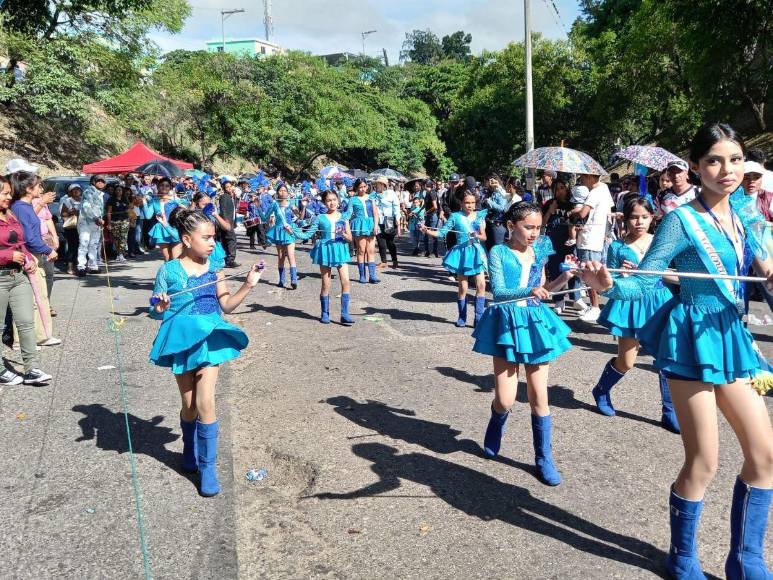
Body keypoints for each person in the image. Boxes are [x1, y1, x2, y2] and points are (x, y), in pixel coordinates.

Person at [581, 123, 773, 580]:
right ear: (695, 168)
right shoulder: (680, 221)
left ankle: (746, 558)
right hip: (690, 338)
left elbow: (764, 269)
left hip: (731, 335)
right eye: (713, 161)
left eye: (733, 159)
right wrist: (606, 284)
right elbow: (646, 280)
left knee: (765, 456)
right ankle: (682, 555)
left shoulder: (745, 210)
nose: (725, 170)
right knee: (704, 460)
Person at [150, 207, 262, 497]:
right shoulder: (169, 271)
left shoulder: (215, 268)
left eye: (215, 237)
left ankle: (208, 467)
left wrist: (248, 285)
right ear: (187, 239)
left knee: (206, 400)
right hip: (181, 339)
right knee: (189, 405)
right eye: (208, 237)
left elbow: (226, 305)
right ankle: (190, 447)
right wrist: (159, 306)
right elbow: (156, 308)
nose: (214, 243)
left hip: (210, 336)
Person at [472, 202, 576, 485]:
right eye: (528, 227)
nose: (534, 233)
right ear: (510, 226)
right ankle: (497, 419)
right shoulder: (498, 252)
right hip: (505, 322)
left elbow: (544, 289)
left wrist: (564, 278)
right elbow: (500, 292)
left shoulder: (541, 249)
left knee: (538, 396)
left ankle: (543, 458)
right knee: (505, 399)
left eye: (538, 227)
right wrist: (529, 290)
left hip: (534, 323)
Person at [591, 197, 679, 433]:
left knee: (666, 359)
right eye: (633, 217)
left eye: (645, 216)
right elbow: (609, 281)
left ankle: (669, 411)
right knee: (627, 361)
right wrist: (626, 278)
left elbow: (677, 276)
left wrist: (653, 272)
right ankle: (601, 390)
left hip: (661, 303)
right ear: (625, 219)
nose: (639, 222)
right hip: (631, 305)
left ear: (653, 217)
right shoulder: (617, 247)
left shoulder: (662, 243)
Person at [0, 175, 52, 385]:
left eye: (8, 192)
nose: (9, 196)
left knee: (26, 323)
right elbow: (8, 251)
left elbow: (20, 242)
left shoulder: (10, 214)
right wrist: (7, 256)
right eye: (4, 193)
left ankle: (32, 369)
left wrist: (28, 258)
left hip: (19, 276)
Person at [421, 191, 488, 327]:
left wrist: (475, 235)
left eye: (472, 203)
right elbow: (441, 233)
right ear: (462, 204)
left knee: (481, 284)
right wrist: (427, 230)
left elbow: (484, 237)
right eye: (467, 203)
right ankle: (462, 317)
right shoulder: (455, 216)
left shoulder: (479, 216)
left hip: (476, 253)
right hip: (462, 254)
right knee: (463, 287)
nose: (470, 205)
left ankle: (479, 319)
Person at [294, 189, 355, 325]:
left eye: (334, 199)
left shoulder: (343, 217)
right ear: (324, 202)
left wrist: (344, 235)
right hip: (326, 250)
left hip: (340, 250)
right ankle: (325, 313)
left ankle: (344, 314)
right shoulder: (320, 218)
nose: (332, 202)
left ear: (338, 200)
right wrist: (293, 230)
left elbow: (350, 238)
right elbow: (307, 235)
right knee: (326, 283)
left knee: (346, 281)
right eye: (328, 200)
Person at [569, 173, 613, 322]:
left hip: (589, 238)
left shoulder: (594, 192)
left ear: (590, 177)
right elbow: (608, 213)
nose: (581, 180)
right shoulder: (605, 188)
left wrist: (573, 212)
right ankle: (594, 306)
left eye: (582, 177)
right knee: (593, 271)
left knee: (589, 273)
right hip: (598, 237)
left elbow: (582, 213)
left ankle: (595, 307)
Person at [542, 177, 575, 313]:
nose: (559, 191)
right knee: (555, 269)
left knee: (571, 269)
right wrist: (550, 210)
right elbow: (542, 223)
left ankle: (575, 297)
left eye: (562, 187)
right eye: (556, 189)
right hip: (553, 240)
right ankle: (559, 300)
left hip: (568, 241)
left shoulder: (573, 205)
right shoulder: (549, 203)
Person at [259, 182, 299, 289]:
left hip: (289, 231)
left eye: (284, 190)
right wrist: (258, 207)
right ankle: (281, 280)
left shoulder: (292, 203)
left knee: (291, 256)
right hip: (278, 232)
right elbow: (264, 218)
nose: (282, 192)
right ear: (277, 193)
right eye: (280, 190)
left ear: (287, 192)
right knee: (281, 257)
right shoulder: (274, 204)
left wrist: (298, 210)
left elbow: (299, 216)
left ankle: (294, 279)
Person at [347, 178, 380, 283]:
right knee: (361, 250)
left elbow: (375, 213)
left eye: (364, 187)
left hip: (370, 224)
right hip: (359, 225)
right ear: (356, 188)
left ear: (367, 186)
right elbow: (348, 213)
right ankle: (362, 275)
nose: (362, 189)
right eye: (360, 187)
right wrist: (341, 220)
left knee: (371, 250)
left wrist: (375, 226)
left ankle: (372, 275)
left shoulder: (371, 198)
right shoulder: (353, 199)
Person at [147, 177, 183, 262]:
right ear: (158, 187)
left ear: (170, 188)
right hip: (161, 229)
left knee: (176, 258)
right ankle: (168, 275)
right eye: (162, 185)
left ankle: (177, 275)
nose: (164, 187)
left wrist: (179, 202)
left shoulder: (175, 199)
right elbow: (148, 216)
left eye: (167, 186)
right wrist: (144, 202)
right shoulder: (153, 201)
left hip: (174, 228)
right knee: (167, 259)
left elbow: (186, 211)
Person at [192, 192, 227, 271]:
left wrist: (215, 215)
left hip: (213, 246)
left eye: (209, 204)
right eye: (204, 204)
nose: (207, 207)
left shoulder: (213, 214)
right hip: (199, 247)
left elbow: (226, 227)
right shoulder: (194, 216)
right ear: (197, 204)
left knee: (217, 272)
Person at [372, 176, 401, 269]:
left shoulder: (391, 193)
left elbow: (396, 207)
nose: (376, 186)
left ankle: (395, 260)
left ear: (383, 185)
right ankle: (383, 261)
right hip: (378, 220)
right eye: (376, 184)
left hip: (390, 221)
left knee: (390, 242)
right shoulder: (373, 195)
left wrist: (398, 220)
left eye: (378, 184)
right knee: (380, 241)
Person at [217, 177, 239, 268]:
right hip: (226, 222)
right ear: (224, 188)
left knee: (226, 240)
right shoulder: (224, 197)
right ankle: (230, 260)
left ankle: (227, 259)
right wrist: (226, 221)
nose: (229, 188)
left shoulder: (231, 196)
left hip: (230, 222)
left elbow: (235, 207)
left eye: (230, 186)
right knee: (232, 239)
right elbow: (223, 210)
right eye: (227, 187)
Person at [106, 185, 131, 263]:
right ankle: (118, 253)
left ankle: (121, 254)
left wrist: (130, 219)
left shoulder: (125, 199)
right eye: (117, 190)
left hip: (124, 220)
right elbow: (109, 212)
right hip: (115, 221)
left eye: (120, 190)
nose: (118, 191)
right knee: (116, 238)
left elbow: (129, 209)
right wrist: (109, 223)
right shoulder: (111, 199)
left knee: (123, 237)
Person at [60, 184, 82, 275]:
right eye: (74, 190)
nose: (76, 191)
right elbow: (63, 214)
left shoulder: (83, 200)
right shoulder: (67, 201)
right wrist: (70, 212)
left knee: (81, 246)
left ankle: (80, 266)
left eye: (78, 189)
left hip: (82, 226)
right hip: (71, 227)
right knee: (72, 247)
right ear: (70, 192)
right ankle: (70, 267)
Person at [422, 180, 440, 258]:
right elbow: (425, 204)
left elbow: (435, 206)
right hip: (429, 215)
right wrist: (420, 210)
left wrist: (427, 212)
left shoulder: (432, 193)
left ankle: (434, 252)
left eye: (423, 185)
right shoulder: (427, 193)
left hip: (433, 215)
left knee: (433, 234)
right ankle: (426, 251)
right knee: (425, 232)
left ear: (426, 185)